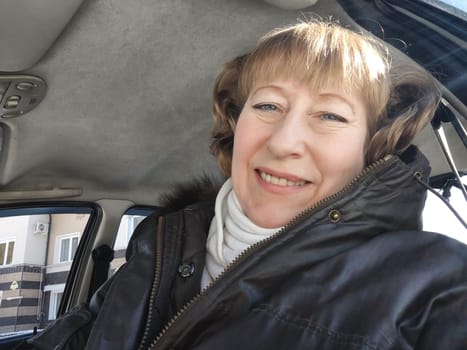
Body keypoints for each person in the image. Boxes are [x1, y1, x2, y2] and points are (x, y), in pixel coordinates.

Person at [19, 20, 467, 350]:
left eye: (330, 116)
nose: (285, 140)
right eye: (268, 105)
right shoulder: (161, 242)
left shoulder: (434, 287)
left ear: (371, 147)